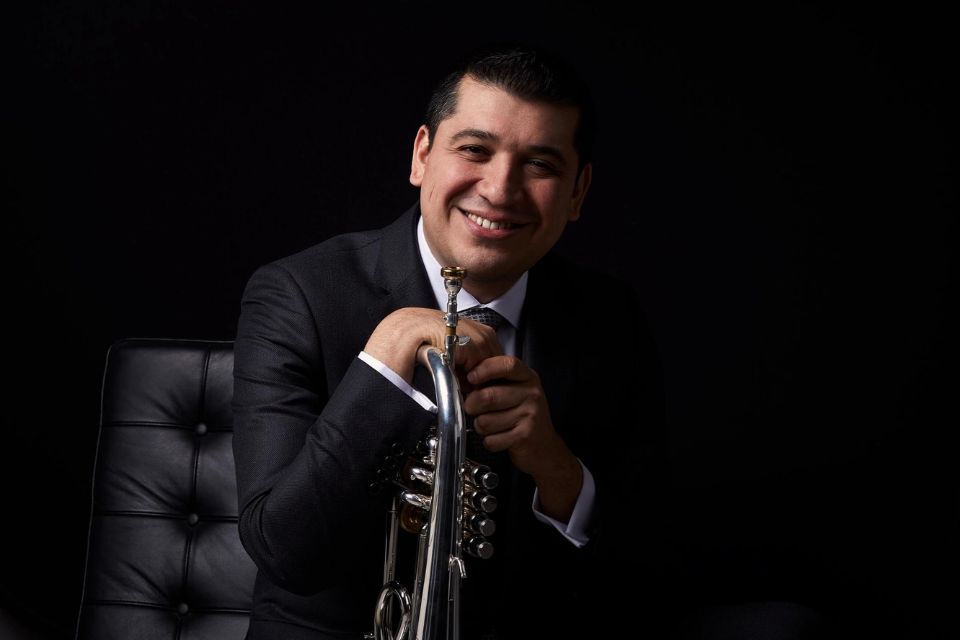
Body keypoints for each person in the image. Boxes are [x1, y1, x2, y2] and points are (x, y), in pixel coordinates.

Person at [231, 43, 720, 639]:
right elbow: (287, 553)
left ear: (578, 193)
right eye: (474, 150)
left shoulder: (609, 318)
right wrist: (384, 365)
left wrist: (555, 468)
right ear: (422, 156)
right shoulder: (300, 294)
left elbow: (654, 566)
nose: (500, 188)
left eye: (540, 165)